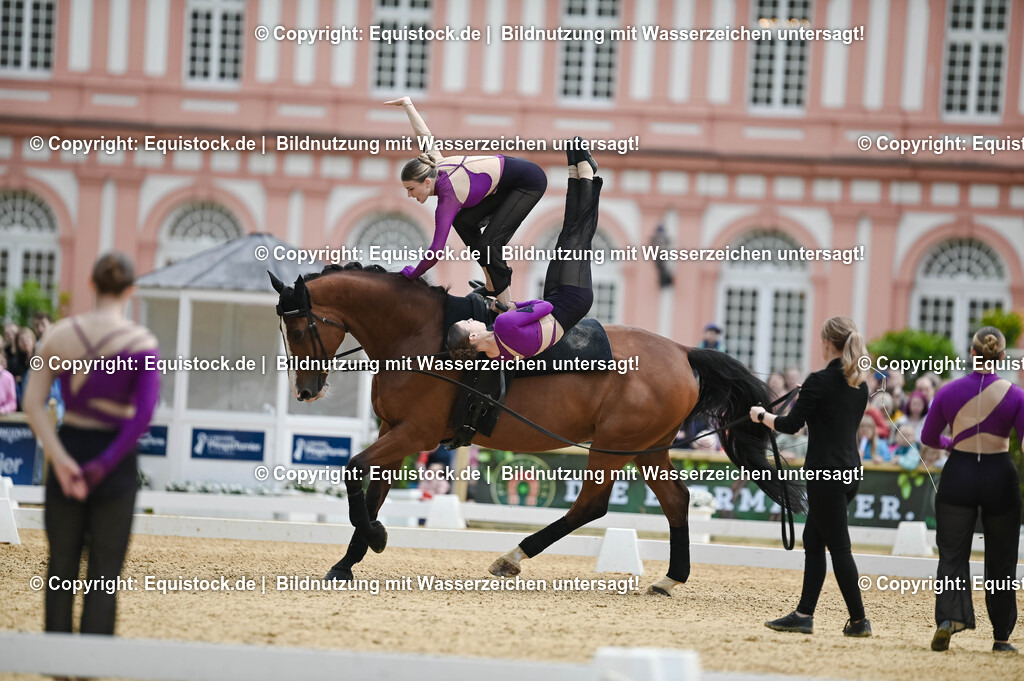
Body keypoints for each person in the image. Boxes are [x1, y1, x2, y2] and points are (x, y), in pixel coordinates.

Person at [23, 252, 160, 636]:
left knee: (60, 567)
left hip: (70, 445)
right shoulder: (141, 342)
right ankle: (90, 668)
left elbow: (32, 403)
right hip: (115, 461)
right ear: (131, 290)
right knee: (105, 573)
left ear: (91, 284)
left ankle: (58, 665)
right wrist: (105, 463)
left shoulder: (57, 335)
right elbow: (143, 415)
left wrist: (61, 459)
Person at [750, 316, 871, 638]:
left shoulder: (819, 380)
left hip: (825, 473)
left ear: (827, 343)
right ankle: (804, 614)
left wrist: (762, 416)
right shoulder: (860, 385)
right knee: (814, 540)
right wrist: (810, 396)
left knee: (839, 548)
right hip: (850, 471)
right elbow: (833, 417)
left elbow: (790, 425)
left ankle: (859, 620)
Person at [386, 96, 548, 308]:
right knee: (463, 222)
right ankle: (492, 284)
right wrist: (408, 105)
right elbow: (423, 133)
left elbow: (436, 251)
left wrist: (411, 275)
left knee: (489, 243)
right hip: (506, 182)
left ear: (427, 182)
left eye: (411, 189)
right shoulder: (433, 162)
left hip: (529, 182)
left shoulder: (448, 198)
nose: (410, 195)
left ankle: (505, 302)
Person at [920, 326, 1024, 654]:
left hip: (959, 474)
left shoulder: (948, 392)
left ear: (971, 352)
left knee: (952, 554)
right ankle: (1001, 637)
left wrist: (952, 443)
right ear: (1003, 356)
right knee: (1002, 559)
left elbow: (929, 437)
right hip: (999, 475)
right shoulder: (1017, 395)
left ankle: (948, 619)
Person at [446, 142, 601, 361]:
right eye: (468, 322)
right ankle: (585, 173)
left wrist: (511, 312)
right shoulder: (502, 324)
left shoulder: (495, 355)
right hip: (569, 299)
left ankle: (575, 173)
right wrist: (513, 307)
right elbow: (542, 306)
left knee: (569, 235)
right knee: (576, 236)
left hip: (563, 305)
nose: (471, 319)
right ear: (472, 336)